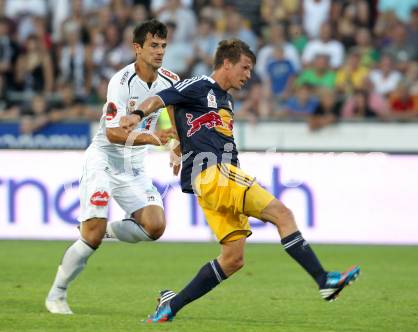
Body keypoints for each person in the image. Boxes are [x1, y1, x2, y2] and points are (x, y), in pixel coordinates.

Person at [120, 39, 360, 323]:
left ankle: (170, 307)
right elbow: (162, 98)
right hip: (213, 174)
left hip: (214, 181)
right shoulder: (199, 84)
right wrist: (136, 114)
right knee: (283, 215)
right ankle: (324, 280)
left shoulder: (226, 100)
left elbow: (184, 116)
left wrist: (180, 141)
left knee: (233, 259)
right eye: (245, 68)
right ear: (226, 64)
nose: (248, 75)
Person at [45, 19, 178, 315]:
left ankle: (101, 230)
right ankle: (57, 294)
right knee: (90, 236)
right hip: (104, 160)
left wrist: (178, 143)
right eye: (153, 46)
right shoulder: (121, 82)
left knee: (155, 226)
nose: (159, 52)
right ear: (137, 48)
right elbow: (113, 133)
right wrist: (153, 137)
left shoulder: (169, 79)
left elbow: (174, 110)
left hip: (134, 165)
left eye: (163, 46)